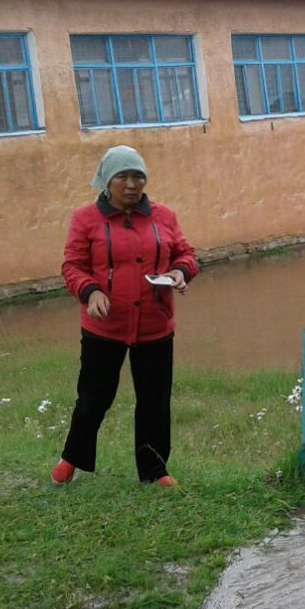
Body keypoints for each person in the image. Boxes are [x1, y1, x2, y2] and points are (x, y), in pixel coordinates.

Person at [52, 145, 199, 486]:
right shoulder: (86, 219)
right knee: (93, 399)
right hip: (105, 326)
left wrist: (179, 272)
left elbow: (186, 254)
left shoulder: (164, 216)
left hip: (155, 324)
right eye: (122, 177)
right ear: (107, 180)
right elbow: (73, 266)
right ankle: (72, 459)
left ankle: (155, 471)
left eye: (138, 177)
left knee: (155, 401)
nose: (132, 184)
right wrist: (91, 291)